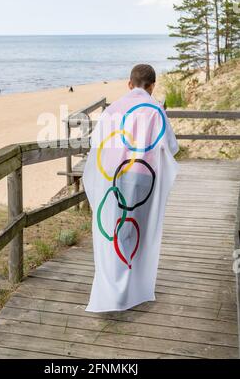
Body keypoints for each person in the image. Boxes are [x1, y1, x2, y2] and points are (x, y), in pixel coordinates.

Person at [82, 64, 179, 312]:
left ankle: (114, 288)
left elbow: (97, 142)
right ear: (152, 86)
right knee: (140, 232)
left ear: (129, 83)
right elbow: (170, 145)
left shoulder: (113, 109)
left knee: (116, 229)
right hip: (144, 177)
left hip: (115, 177)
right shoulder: (156, 109)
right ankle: (134, 287)